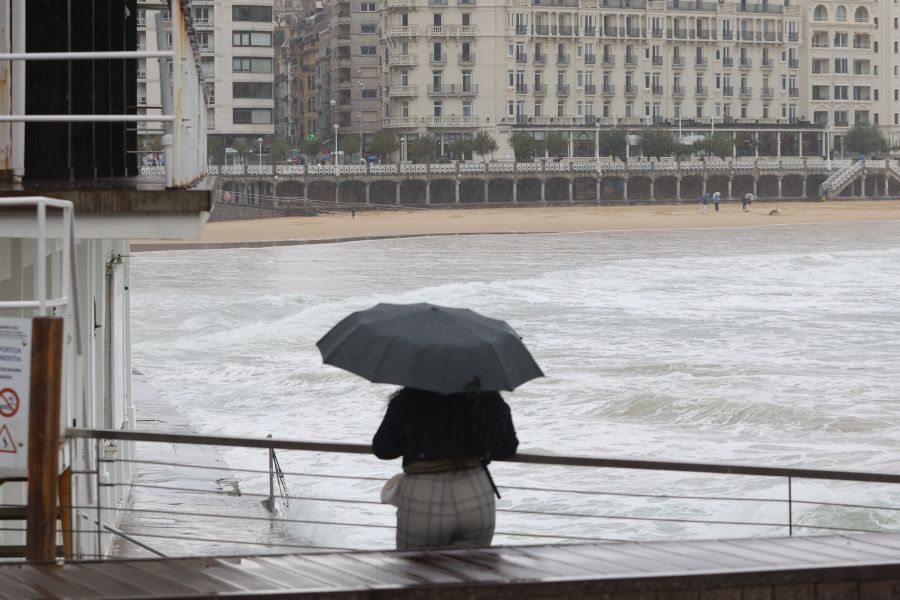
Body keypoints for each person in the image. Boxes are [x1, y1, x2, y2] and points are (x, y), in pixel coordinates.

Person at [373, 387, 518, 550]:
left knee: (417, 571)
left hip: (423, 496)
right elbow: (507, 448)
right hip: (475, 492)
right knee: (473, 570)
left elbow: (383, 449)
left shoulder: (409, 398)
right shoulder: (485, 396)